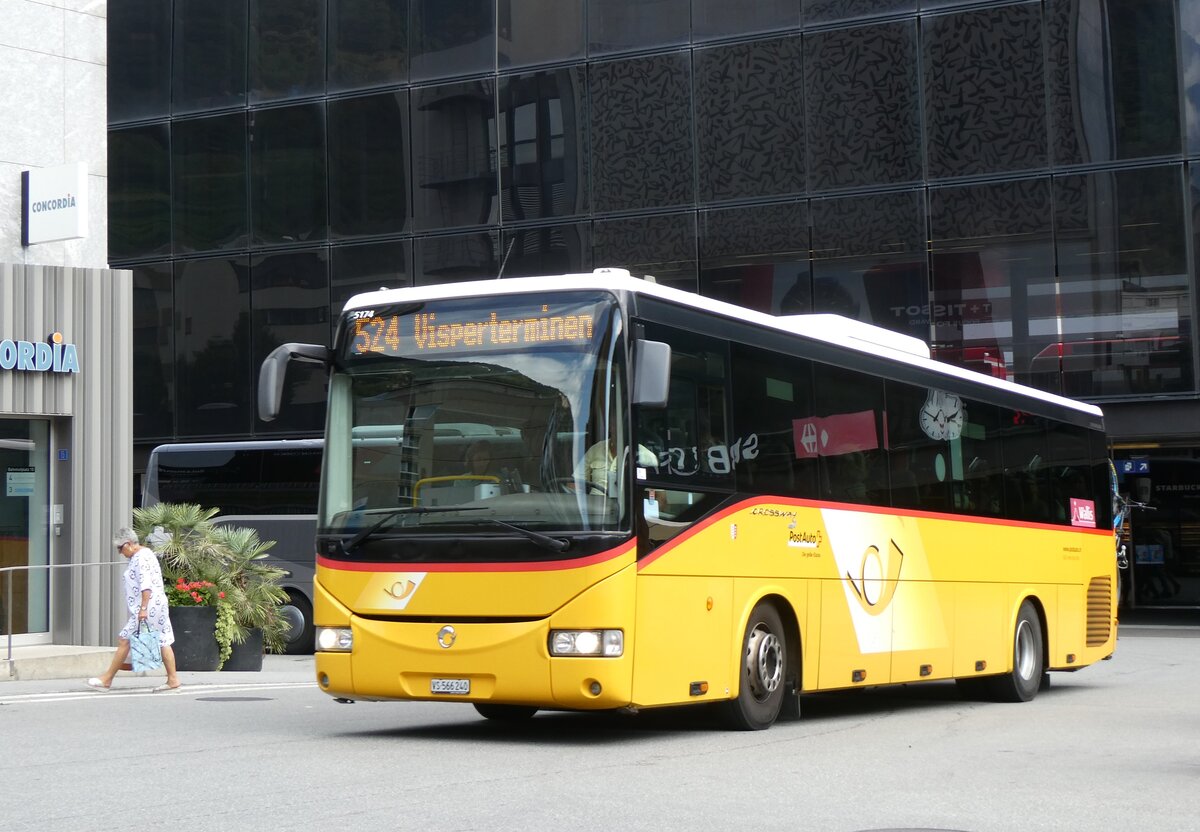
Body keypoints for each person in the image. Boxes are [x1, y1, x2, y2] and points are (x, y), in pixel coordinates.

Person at [86, 527, 182, 693]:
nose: (120, 552)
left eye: (120, 548)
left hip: (148, 607)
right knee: (163, 640)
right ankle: (172, 679)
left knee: (124, 639)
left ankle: (107, 679)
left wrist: (143, 609)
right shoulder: (147, 554)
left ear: (128, 544)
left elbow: (146, 585)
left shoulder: (140, 558)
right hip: (158, 605)